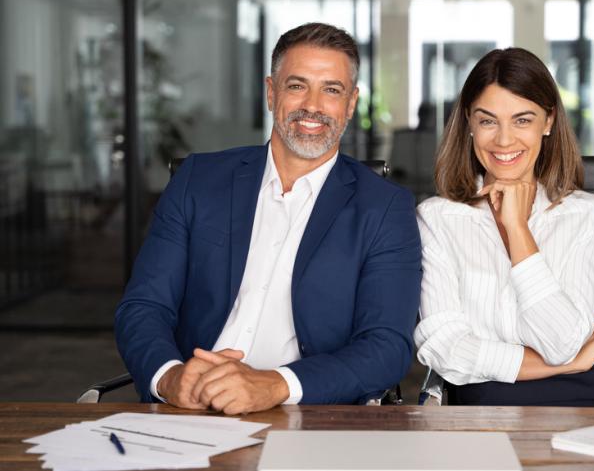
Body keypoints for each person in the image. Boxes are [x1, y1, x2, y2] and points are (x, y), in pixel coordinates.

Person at [115, 22, 422, 414]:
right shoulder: (198, 180)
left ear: (350, 104)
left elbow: (386, 346)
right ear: (271, 93)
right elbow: (143, 306)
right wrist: (172, 377)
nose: (313, 105)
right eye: (297, 86)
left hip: (308, 415)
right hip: (190, 409)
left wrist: (275, 385)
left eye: (331, 90)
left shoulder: (385, 208)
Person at [414, 47, 594, 406]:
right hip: (488, 402)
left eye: (522, 120)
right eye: (487, 121)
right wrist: (571, 361)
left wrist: (517, 229)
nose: (503, 140)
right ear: (469, 123)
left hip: (585, 396)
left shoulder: (586, 216)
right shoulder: (437, 219)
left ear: (548, 122)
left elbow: (559, 341)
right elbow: (444, 348)